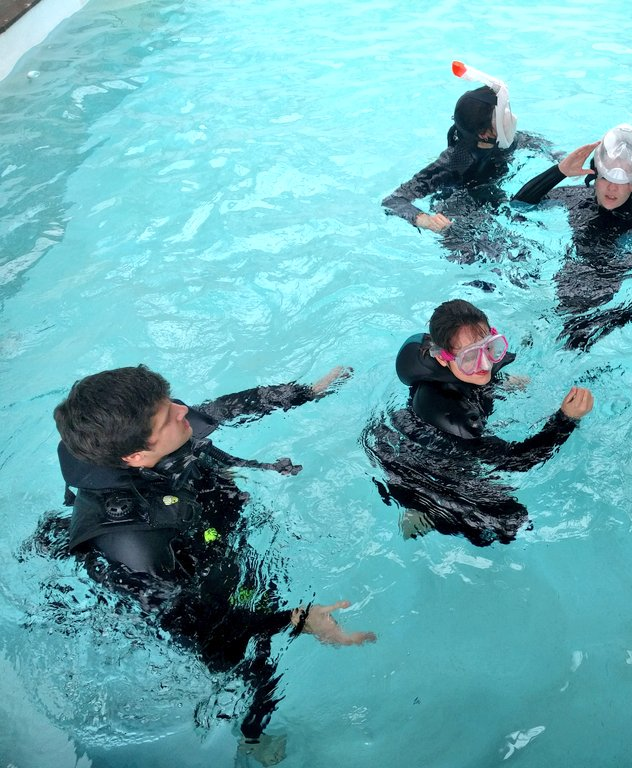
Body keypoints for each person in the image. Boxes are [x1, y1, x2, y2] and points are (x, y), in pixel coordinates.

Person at [52, 365, 375, 765]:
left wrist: (305, 392)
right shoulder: (132, 545)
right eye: (168, 414)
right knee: (258, 667)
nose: (182, 409)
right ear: (136, 455)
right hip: (188, 591)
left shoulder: (141, 438)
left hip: (192, 527)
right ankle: (252, 738)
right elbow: (205, 630)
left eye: (171, 401)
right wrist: (295, 620)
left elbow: (219, 410)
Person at [362, 299, 594, 546]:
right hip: (422, 472)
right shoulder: (453, 418)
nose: (485, 364)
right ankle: (425, 509)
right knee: (512, 522)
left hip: (411, 432)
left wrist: (500, 382)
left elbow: (477, 364)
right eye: (471, 357)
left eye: (489, 348)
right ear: (442, 358)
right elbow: (517, 461)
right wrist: (565, 419)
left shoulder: (456, 363)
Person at [512, 124, 632, 350]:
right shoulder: (577, 198)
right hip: (567, 279)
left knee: (572, 341)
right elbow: (520, 205)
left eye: (622, 182)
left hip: (618, 293)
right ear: (595, 174)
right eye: (606, 179)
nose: (612, 190)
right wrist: (559, 171)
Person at [382, 63, 554, 269]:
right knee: (487, 261)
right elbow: (393, 200)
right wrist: (425, 220)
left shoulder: (504, 139)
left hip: (493, 197)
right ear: (483, 133)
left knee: (525, 252)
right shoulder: (456, 161)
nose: (510, 119)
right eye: (502, 116)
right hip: (459, 209)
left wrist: (557, 157)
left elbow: (532, 142)